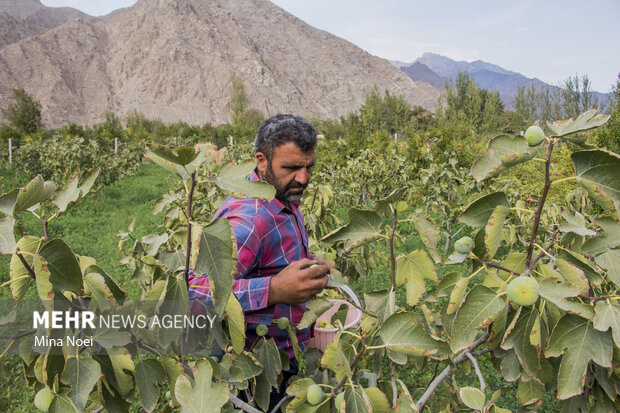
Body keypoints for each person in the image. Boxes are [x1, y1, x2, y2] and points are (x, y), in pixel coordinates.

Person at [187, 114, 333, 409]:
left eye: (309, 167)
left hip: (278, 358)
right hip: (249, 372)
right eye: (292, 168)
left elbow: (269, 260)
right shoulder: (249, 219)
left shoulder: (282, 197)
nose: (303, 179)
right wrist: (275, 290)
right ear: (262, 161)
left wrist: (308, 266)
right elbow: (196, 295)